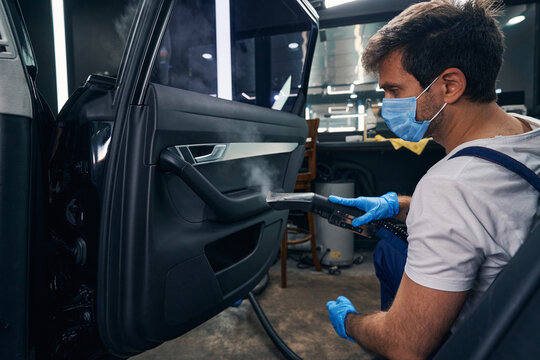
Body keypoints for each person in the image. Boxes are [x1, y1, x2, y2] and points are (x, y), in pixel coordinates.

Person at [325, 0, 540, 359]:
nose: (385, 104)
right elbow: (491, 214)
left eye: (394, 90)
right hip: (523, 314)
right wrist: (399, 205)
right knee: (389, 252)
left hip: (486, 340)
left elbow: (404, 345)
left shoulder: (449, 186)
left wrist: (350, 322)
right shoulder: (530, 131)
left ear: (449, 86)